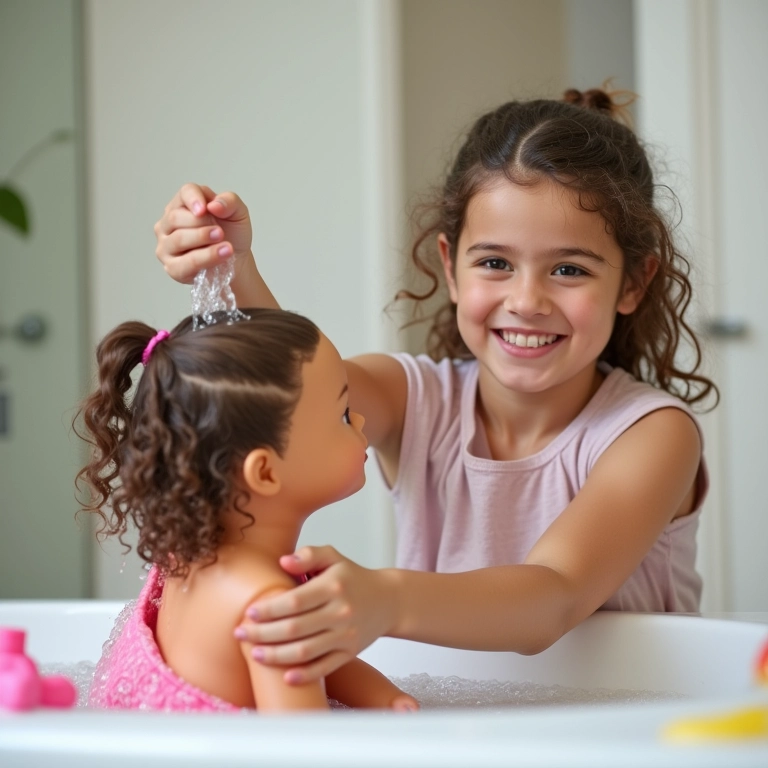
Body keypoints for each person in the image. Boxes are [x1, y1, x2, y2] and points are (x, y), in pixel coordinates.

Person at [153, 87, 718, 687]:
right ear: (450, 266)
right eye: (495, 263)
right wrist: (231, 265)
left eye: (569, 269)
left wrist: (387, 598)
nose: (526, 301)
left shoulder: (654, 435)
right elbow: (297, 392)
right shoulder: (412, 397)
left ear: (634, 281)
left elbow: (553, 596)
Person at [75, 308, 418, 712]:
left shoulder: (186, 555)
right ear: (266, 471)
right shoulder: (267, 601)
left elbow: (319, 658)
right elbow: (305, 747)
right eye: (343, 414)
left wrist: (387, 698)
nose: (359, 418)